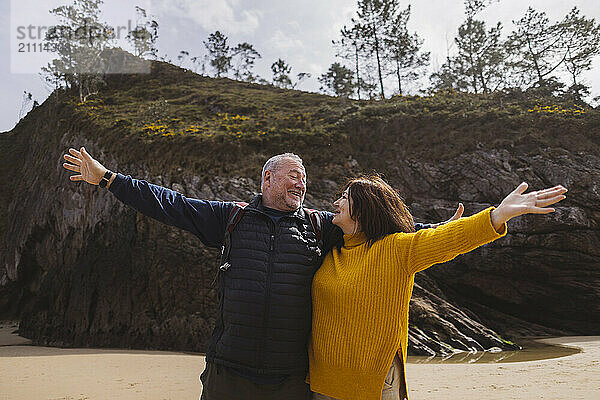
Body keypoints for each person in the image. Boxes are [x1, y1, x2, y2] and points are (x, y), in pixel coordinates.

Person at [62, 147, 457, 400]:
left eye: (304, 178)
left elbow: (378, 229)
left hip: (290, 378)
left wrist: (435, 230)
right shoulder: (231, 218)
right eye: (293, 175)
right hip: (229, 371)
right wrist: (110, 179)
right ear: (267, 179)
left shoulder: (322, 226)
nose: (301, 182)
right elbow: (171, 204)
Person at [308, 175, 567, 400]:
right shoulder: (331, 253)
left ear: (363, 209)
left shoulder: (396, 248)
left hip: (371, 382)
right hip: (322, 382)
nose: (336, 203)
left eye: (344, 197)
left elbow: (449, 241)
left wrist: (498, 215)